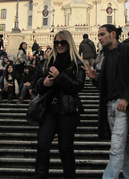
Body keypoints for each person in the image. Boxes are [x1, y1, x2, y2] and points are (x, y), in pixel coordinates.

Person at [83, 24, 129, 179]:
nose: (99, 38)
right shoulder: (105, 55)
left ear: (113, 34)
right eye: (98, 35)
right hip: (110, 105)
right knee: (123, 150)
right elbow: (107, 82)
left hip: (123, 106)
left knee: (116, 148)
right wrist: (96, 77)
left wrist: (127, 98)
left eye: (102, 34)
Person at [33, 30, 85, 178]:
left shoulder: (77, 63)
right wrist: (43, 83)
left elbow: (78, 86)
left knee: (65, 148)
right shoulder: (50, 61)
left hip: (67, 110)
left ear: (69, 43)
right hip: (49, 108)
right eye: (57, 43)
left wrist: (59, 76)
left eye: (62, 42)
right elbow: (38, 85)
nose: (59, 45)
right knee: (42, 145)